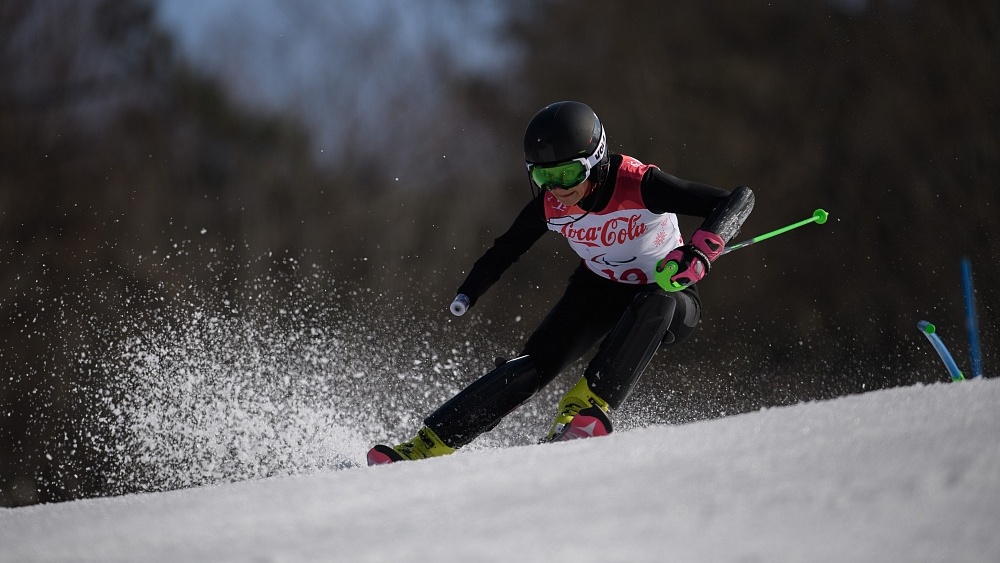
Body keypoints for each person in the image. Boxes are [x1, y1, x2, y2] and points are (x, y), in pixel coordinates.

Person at [367, 101, 754, 465]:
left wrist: (699, 252)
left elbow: (737, 199)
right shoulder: (550, 206)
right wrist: (469, 291)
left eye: (567, 174)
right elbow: (506, 249)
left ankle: (586, 406)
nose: (558, 188)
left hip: (671, 292)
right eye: (543, 176)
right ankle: (426, 445)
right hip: (598, 289)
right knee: (531, 367)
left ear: (596, 161)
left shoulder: (638, 183)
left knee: (658, 298)